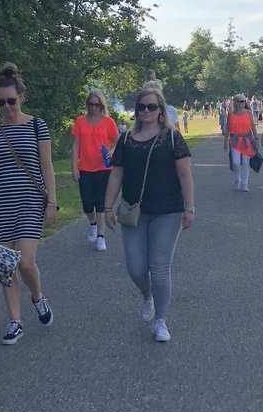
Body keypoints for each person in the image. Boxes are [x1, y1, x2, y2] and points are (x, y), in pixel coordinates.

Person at [0, 62, 57, 345]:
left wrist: (52, 202)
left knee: (26, 262)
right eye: (1, 102)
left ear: (21, 97)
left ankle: (38, 296)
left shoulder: (37, 125)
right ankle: (15, 321)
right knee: (5, 266)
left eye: (11, 101)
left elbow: (46, 166)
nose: (7, 107)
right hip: (0, 204)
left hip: (30, 200)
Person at [103, 86, 194, 342]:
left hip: (168, 211)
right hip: (134, 211)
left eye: (151, 106)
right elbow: (116, 174)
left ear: (160, 110)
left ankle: (161, 321)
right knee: (135, 267)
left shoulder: (172, 138)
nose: (146, 111)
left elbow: (184, 174)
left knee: (159, 267)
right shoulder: (126, 140)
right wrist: (108, 207)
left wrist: (190, 207)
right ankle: (148, 295)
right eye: (141, 107)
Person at [71, 90, 119, 252]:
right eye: (90, 104)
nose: (93, 108)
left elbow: (118, 141)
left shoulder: (108, 122)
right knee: (87, 203)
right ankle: (92, 223)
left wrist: (113, 151)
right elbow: (75, 145)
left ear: (101, 105)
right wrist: (74, 167)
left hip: (103, 168)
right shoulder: (80, 121)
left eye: (96, 105)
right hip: (85, 168)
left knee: (100, 203)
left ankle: (101, 236)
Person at [223, 93, 258, 192]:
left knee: (246, 163)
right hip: (235, 141)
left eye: (244, 101)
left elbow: (253, 126)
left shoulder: (248, 113)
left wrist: (256, 138)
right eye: (240, 101)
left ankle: (244, 183)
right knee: (236, 162)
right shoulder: (231, 114)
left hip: (246, 140)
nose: (242, 103)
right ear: (235, 102)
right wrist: (225, 141)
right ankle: (237, 179)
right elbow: (227, 128)